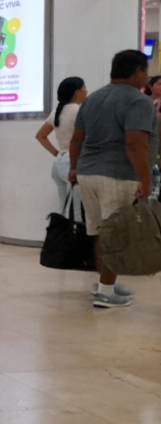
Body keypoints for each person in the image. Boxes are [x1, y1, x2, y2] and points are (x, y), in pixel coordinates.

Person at [69, 49, 157, 310]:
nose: (147, 77)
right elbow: (135, 143)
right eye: (147, 71)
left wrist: (74, 168)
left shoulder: (93, 98)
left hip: (88, 173)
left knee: (100, 232)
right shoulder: (138, 101)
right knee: (116, 234)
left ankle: (106, 283)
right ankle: (106, 293)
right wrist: (145, 178)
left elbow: (77, 138)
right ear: (138, 72)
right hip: (118, 174)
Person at [37, 77, 87, 208]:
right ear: (77, 92)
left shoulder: (56, 112)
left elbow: (40, 135)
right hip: (73, 164)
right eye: (84, 89)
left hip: (59, 163)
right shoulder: (79, 111)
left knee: (64, 210)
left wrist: (55, 152)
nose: (86, 92)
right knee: (77, 213)